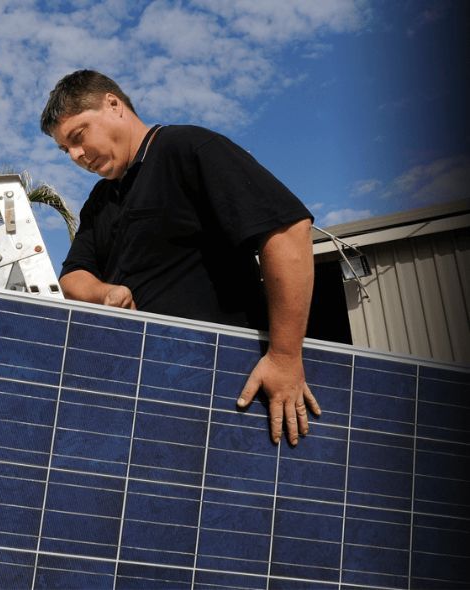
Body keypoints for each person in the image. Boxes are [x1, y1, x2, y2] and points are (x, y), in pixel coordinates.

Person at [40, 69, 320, 446]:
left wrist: (285, 357)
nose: (75, 155)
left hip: (232, 386)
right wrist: (103, 292)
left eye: (78, 136)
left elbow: (287, 231)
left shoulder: (188, 148)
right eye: (65, 150)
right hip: (152, 397)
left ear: (113, 105)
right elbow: (73, 277)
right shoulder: (100, 202)